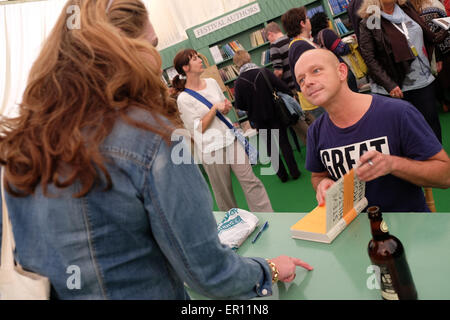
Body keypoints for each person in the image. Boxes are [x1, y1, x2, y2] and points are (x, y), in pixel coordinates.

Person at [0, 0, 313, 299]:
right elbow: (208, 273)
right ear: (123, 47)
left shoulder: (23, 147)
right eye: (151, 44)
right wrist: (268, 268)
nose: (156, 58)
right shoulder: (149, 138)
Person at [294, 49, 450, 212]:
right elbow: (318, 176)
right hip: (353, 228)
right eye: (301, 80)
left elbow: (445, 176)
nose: (308, 82)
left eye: (316, 71)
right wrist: (322, 185)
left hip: (408, 226)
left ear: (341, 72)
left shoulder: (397, 113)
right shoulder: (315, 132)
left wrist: (393, 164)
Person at [173, 49, 274, 213]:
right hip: (210, 150)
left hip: (230, 140)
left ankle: (270, 217)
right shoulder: (183, 99)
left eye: (199, 56)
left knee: (251, 181)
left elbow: (224, 108)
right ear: (185, 68)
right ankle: (235, 228)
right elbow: (198, 129)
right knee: (224, 194)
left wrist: (225, 108)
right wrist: (214, 108)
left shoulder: (212, 82)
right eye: (195, 59)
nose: (200, 60)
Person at [358, 0, 445, 143]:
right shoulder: (373, 17)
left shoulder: (407, 8)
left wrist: (438, 55)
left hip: (423, 79)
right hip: (397, 87)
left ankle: (439, 163)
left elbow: (425, 34)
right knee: (408, 134)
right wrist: (389, 84)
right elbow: (369, 57)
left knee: (433, 128)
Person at [232, 50, 302, 182]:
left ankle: (282, 176)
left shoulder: (239, 82)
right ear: (249, 58)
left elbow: (239, 105)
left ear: (236, 64)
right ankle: (294, 172)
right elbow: (284, 87)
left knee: (270, 146)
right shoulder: (264, 72)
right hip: (275, 113)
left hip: (257, 118)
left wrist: (251, 106)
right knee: (284, 142)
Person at [281, 6, 325, 121]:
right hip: (316, 98)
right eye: (307, 18)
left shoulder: (298, 44)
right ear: (302, 23)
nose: (309, 20)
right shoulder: (300, 46)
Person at [410, 0, 450, 112]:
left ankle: (443, 102)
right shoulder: (435, 4)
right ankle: (444, 102)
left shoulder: (409, 11)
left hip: (429, 49)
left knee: (437, 76)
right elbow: (447, 21)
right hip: (442, 46)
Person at [310, 11, 359, 92]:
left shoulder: (315, 39)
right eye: (327, 19)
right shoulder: (326, 33)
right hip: (340, 70)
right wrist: (350, 42)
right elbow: (342, 50)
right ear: (324, 22)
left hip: (329, 74)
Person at [265, 22, 296, 91]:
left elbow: (279, 72)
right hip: (301, 80)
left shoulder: (274, 46)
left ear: (270, 34)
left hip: (292, 87)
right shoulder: (291, 38)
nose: (269, 41)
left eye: (268, 38)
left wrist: (273, 84)